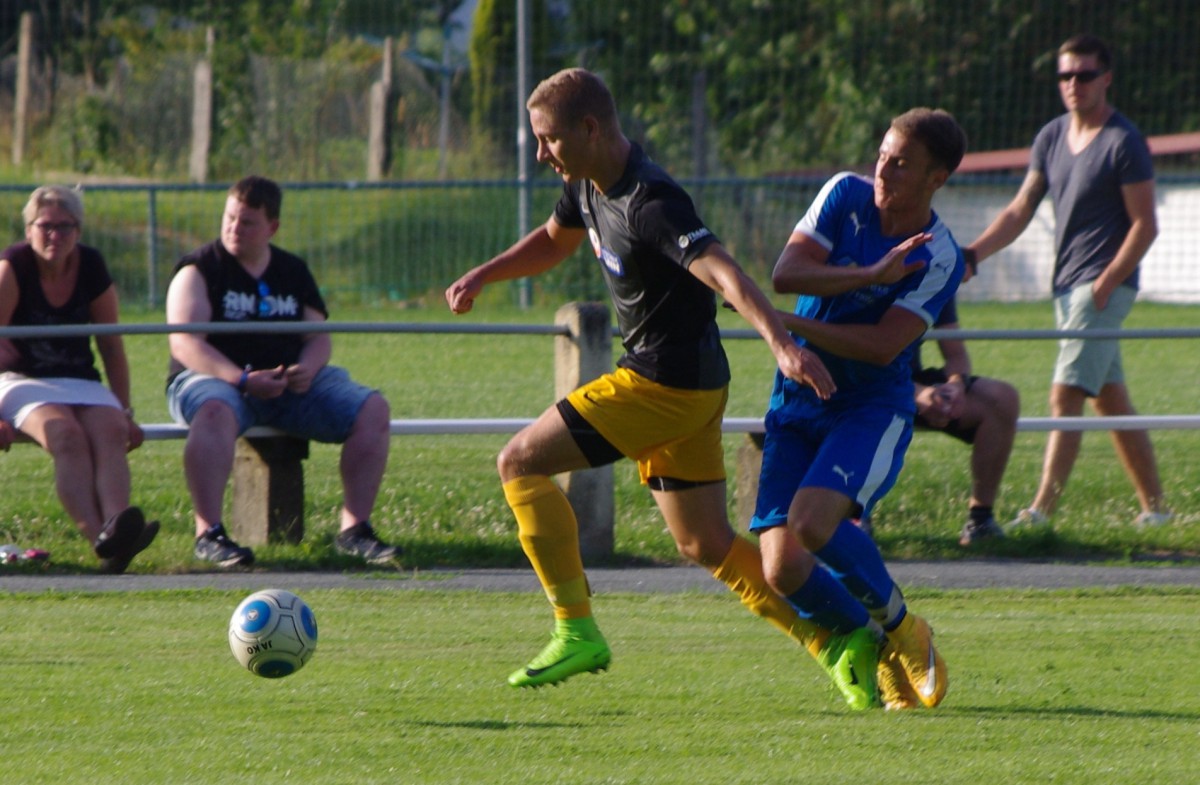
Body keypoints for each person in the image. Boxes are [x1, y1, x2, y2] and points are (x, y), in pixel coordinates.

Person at [445, 67, 882, 709]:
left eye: (549, 140)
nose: (541, 155)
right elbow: (550, 241)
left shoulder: (652, 202)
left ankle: (575, 629)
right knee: (703, 542)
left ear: (590, 129)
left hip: (662, 386)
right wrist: (485, 273)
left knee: (518, 462)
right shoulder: (587, 184)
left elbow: (726, 273)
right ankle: (841, 639)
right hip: (695, 388)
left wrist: (783, 345)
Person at [751, 108, 967, 710]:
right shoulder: (843, 195)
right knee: (781, 570)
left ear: (936, 178)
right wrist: (869, 273)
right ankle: (874, 640)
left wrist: (789, 325)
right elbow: (786, 271)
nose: (883, 171)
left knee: (814, 524)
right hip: (799, 398)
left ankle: (905, 631)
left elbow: (880, 347)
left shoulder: (939, 255)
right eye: (882, 155)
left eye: (900, 164)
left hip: (870, 405)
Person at [962, 34, 1170, 530]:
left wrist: (1106, 284)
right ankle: (1158, 512)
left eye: (1084, 74)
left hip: (1100, 289)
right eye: (1065, 75)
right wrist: (974, 254)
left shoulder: (1124, 141)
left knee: (1065, 395)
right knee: (1110, 397)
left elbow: (1146, 225)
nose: (1073, 84)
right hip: (1066, 286)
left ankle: (1039, 513)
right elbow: (1020, 209)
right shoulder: (1051, 136)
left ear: (1106, 78)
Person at [165, 175, 399, 568]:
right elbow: (186, 344)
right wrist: (240, 379)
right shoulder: (199, 269)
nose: (233, 228)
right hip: (214, 380)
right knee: (213, 412)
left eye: (246, 222)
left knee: (373, 409)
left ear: (272, 227)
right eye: (229, 218)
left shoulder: (292, 270)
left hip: (286, 387)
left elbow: (318, 337)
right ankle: (208, 534)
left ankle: (354, 531)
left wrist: (306, 369)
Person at [0, 185, 158, 574]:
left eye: (65, 227)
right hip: (22, 379)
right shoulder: (13, 267)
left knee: (108, 431)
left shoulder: (91, 265)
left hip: (79, 378)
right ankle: (103, 542)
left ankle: (119, 526)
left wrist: (125, 410)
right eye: (46, 226)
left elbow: (111, 346)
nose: (55, 235)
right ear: (29, 228)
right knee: (65, 435)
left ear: (79, 230)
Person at [910, 296, 1020, 545]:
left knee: (1001, 399)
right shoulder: (857, 271)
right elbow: (856, 359)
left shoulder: (934, 272)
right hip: (858, 382)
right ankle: (853, 517)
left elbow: (956, 355)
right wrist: (915, 393)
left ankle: (980, 521)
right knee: (864, 404)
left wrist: (956, 386)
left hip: (906, 381)